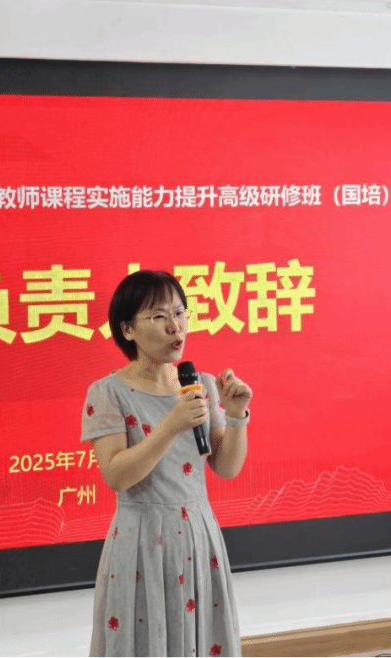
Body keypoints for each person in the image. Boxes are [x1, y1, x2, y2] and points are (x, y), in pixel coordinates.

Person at [81, 270, 252, 658]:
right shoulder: (107, 393)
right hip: (142, 542)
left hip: (198, 537)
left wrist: (236, 415)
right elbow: (116, 475)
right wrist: (171, 426)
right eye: (158, 316)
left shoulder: (200, 384)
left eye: (179, 313)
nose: (175, 326)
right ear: (128, 329)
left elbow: (226, 467)